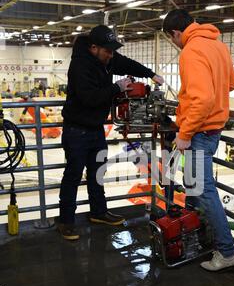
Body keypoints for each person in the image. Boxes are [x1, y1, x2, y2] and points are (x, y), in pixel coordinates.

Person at [59, 25, 164, 240]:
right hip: (76, 130)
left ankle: (98, 212)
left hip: (96, 130)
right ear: (94, 48)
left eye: (113, 50)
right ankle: (66, 222)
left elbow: (126, 63)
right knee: (73, 176)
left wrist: (151, 74)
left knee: (97, 174)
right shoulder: (80, 65)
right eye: (108, 51)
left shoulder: (107, 59)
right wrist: (116, 88)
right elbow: (89, 98)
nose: (111, 55)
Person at [163, 9, 234, 271]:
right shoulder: (217, 45)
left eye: (172, 39)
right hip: (213, 129)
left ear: (176, 33)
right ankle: (198, 238)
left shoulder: (191, 51)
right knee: (195, 187)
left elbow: (203, 99)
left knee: (204, 191)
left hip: (199, 131)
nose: (175, 43)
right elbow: (231, 83)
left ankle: (227, 252)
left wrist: (184, 134)